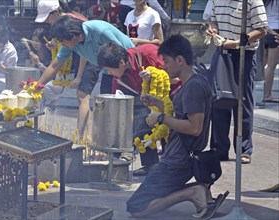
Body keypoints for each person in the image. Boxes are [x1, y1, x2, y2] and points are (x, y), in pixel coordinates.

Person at [125, 34, 213, 218]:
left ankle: (192, 192)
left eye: (166, 61)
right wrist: (158, 103)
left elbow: (194, 127)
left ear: (180, 60)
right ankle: (198, 189)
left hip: (178, 161)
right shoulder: (192, 83)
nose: (163, 66)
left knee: (137, 207)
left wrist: (161, 118)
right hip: (176, 157)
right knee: (146, 196)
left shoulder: (193, 87)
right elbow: (180, 115)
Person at [37, 15, 135, 138]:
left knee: (127, 104)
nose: (62, 44)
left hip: (128, 65)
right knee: (107, 103)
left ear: (72, 36)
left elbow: (122, 56)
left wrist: (119, 77)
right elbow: (54, 66)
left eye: (63, 41)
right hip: (107, 67)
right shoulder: (70, 43)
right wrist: (37, 86)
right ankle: (101, 139)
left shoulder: (99, 31)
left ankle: (128, 142)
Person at [207, 0, 267, 164]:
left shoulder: (252, 1)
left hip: (244, 55)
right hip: (222, 53)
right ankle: (219, 148)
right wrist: (213, 29)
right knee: (218, 100)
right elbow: (212, 19)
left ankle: (244, 149)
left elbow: (262, 29)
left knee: (243, 102)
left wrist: (241, 41)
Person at [97, 42, 165, 175]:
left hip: (169, 95)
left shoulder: (147, 53)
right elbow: (117, 94)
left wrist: (154, 75)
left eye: (110, 69)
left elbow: (172, 75)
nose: (109, 73)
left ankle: (165, 166)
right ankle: (150, 164)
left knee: (156, 123)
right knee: (137, 118)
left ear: (122, 62)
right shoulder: (120, 74)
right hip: (147, 98)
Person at [35, 0, 98, 139]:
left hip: (91, 57)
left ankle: (81, 137)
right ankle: (83, 134)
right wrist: (38, 85)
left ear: (56, 12)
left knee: (82, 96)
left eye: (48, 18)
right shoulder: (62, 23)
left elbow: (85, 50)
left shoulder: (73, 21)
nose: (47, 22)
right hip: (80, 56)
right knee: (81, 96)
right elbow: (56, 63)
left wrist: (79, 76)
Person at [24, 27, 64, 106]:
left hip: (54, 83)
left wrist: (38, 63)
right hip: (39, 82)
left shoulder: (50, 52)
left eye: (37, 41)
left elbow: (52, 74)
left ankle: (54, 100)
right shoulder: (30, 53)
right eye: (33, 41)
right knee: (32, 85)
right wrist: (33, 63)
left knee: (41, 85)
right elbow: (27, 72)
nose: (34, 44)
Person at [262, 0, 279, 103]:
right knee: (271, 65)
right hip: (275, 30)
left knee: (263, 64)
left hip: (263, 30)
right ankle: (267, 95)